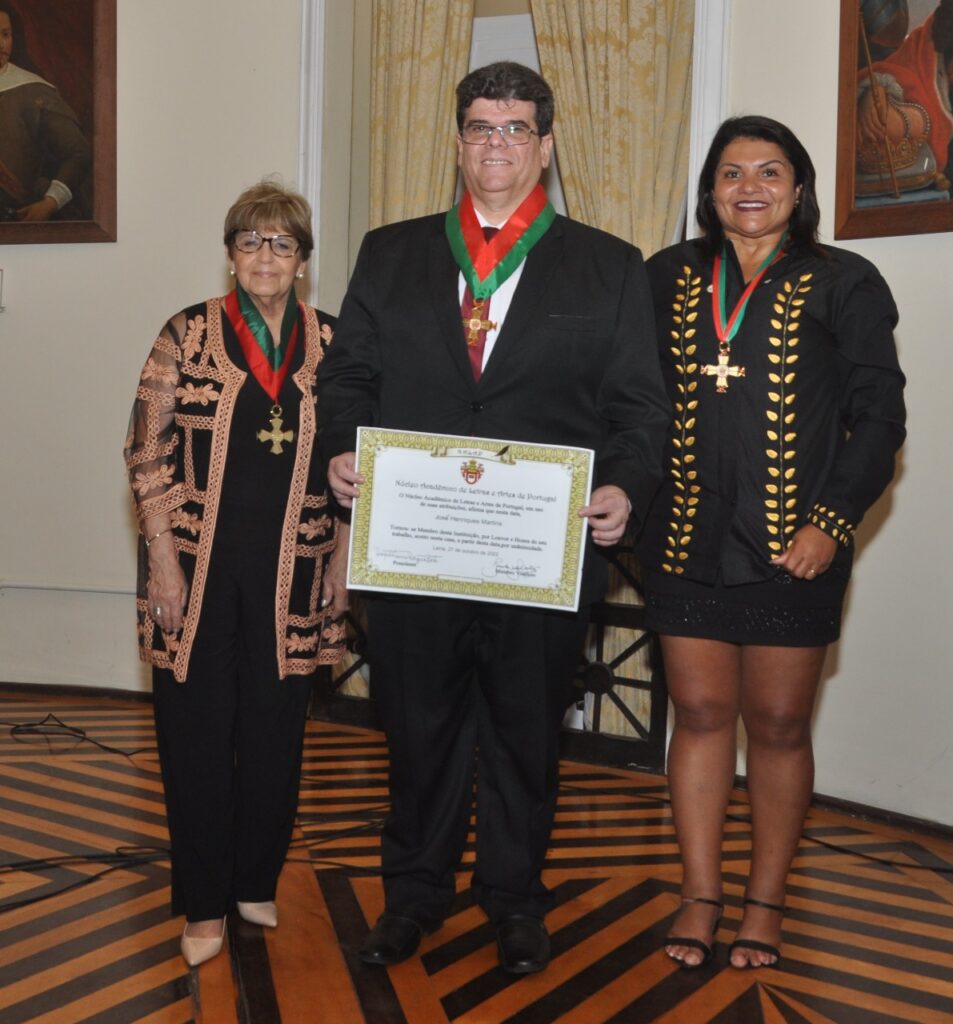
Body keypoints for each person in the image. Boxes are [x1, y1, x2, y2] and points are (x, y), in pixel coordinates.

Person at [317, 61, 669, 975]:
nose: (496, 144)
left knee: (523, 730)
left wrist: (625, 487)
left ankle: (513, 899)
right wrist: (342, 449)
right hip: (414, 544)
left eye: (515, 128)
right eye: (480, 126)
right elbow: (347, 377)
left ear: (544, 146)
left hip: (537, 552)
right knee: (417, 727)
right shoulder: (390, 253)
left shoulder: (609, 265)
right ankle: (413, 896)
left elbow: (639, 409)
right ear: (458, 142)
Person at [640, 116, 906, 970]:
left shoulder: (845, 281)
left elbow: (879, 418)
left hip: (795, 548)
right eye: (730, 172)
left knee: (781, 726)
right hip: (684, 540)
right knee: (699, 715)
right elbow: (628, 398)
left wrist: (831, 521)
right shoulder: (665, 276)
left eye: (768, 171)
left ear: (798, 189)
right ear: (709, 191)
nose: (748, 187)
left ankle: (764, 902)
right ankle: (699, 894)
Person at [124, 182, 348, 967]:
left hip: (295, 572)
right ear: (230, 254)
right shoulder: (186, 333)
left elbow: (356, 459)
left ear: (303, 260)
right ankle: (203, 903)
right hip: (194, 571)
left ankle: (255, 878)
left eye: (282, 244)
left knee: (276, 732)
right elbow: (145, 449)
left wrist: (342, 559)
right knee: (193, 734)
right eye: (250, 241)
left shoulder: (334, 342)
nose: (265, 257)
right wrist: (161, 561)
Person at [0, 5, 91, 221]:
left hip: (16, 219)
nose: (1, 44)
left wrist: (50, 203)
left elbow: (79, 153)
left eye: (5, 34)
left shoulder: (34, 91)